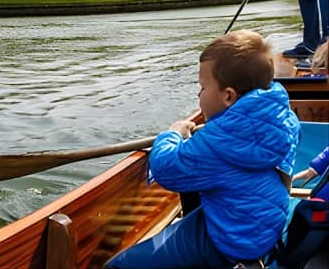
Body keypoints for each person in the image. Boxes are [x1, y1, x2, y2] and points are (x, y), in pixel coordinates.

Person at [106, 30, 300, 269]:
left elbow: (167, 168)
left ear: (228, 96)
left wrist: (173, 133)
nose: (199, 95)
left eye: (203, 88)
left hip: (232, 240)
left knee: (120, 266)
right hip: (261, 224)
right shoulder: (283, 118)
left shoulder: (216, 142)